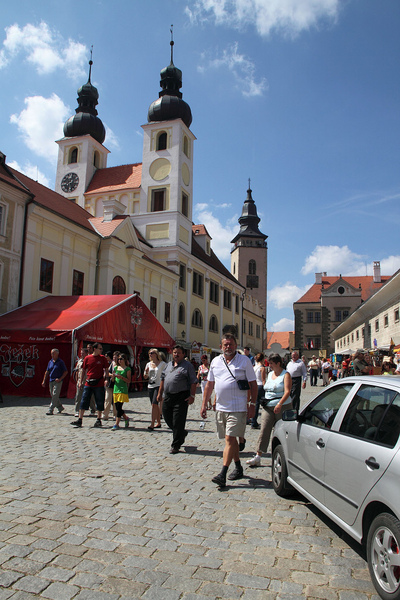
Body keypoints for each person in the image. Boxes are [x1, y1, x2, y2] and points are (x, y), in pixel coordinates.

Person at [201, 334, 257, 488]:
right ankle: (238, 467)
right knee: (230, 441)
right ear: (221, 347)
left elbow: (253, 384)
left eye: (231, 344)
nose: (228, 347)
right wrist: (204, 404)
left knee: (230, 439)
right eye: (225, 344)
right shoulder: (215, 361)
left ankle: (223, 473)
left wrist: (252, 404)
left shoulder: (244, 361)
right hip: (221, 407)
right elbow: (210, 384)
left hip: (238, 407)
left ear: (236, 346)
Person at [246, 353, 292, 467]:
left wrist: (280, 404)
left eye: (271, 363)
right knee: (264, 429)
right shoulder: (270, 373)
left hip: (282, 406)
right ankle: (258, 456)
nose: (269, 366)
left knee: (282, 432)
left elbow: (287, 391)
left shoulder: (286, 375)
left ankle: (284, 455)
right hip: (268, 406)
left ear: (278, 363)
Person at [157, 345, 197, 454]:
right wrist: (160, 393)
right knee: (167, 417)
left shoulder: (187, 366)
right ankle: (181, 433)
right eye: (174, 352)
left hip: (181, 396)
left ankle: (176, 445)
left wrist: (192, 396)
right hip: (168, 396)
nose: (176, 354)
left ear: (183, 354)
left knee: (178, 421)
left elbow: (193, 381)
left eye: (179, 352)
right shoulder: (168, 365)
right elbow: (163, 379)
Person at [71, 342, 109, 428]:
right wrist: (80, 381)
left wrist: (107, 379)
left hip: (99, 383)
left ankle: (98, 419)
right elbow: (83, 370)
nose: (101, 350)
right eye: (100, 349)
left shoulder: (102, 358)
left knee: (99, 401)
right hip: (88, 383)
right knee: (84, 400)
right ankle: (80, 419)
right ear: (95, 349)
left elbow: (106, 369)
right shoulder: (87, 358)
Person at [144, 348, 166, 430]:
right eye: (149, 353)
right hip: (150, 386)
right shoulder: (148, 364)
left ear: (156, 354)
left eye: (152, 353)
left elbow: (166, 374)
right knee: (155, 405)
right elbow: (145, 377)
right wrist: (146, 372)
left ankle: (152, 424)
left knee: (154, 404)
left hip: (158, 385)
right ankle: (159, 423)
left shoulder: (162, 364)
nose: (150, 354)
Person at [42, 348, 68, 415]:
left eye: (53, 353)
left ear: (57, 354)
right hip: (51, 380)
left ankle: (50, 409)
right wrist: (44, 381)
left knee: (55, 394)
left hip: (58, 381)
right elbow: (47, 371)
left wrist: (60, 379)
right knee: (53, 395)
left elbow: (65, 372)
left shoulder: (60, 362)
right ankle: (60, 407)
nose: (52, 355)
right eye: (51, 353)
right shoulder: (50, 362)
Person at [111, 354, 131, 430]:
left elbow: (128, 380)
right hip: (116, 389)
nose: (119, 360)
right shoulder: (116, 368)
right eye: (118, 359)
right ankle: (126, 418)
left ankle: (116, 424)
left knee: (119, 406)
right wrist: (113, 377)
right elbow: (113, 380)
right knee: (117, 407)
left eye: (121, 359)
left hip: (122, 389)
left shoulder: (127, 369)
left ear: (125, 360)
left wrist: (121, 377)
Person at [251, 353, 266, 429]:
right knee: (265, 404)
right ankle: (266, 421)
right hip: (260, 386)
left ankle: (253, 421)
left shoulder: (254, 367)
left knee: (256, 404)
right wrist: (266, 388)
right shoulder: (262, 368)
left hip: (255, 385)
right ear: (263, 359)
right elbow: (263, 380)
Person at [103, 351, 119, 421]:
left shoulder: (120, 365)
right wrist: (111, 375)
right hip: (110, 383)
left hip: (117, 384)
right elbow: (107, 372)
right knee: (107, 399)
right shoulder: (111, 364)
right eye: (114, 357)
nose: (114, 359)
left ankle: (115, 414)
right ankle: (105, 414)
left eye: (116, 357)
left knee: (115, 400)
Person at [74, 347, 89, 416]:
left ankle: (93, 409)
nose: (81, 354)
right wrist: (77, 380)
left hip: (87, 381)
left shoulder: (89, 360)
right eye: (81, 353)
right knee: (78, 396)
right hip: (80, 381)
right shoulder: (80, 361)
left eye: (83, 353)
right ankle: (77, 410)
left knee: (90, 397)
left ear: (86, 353)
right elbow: (77, 371)